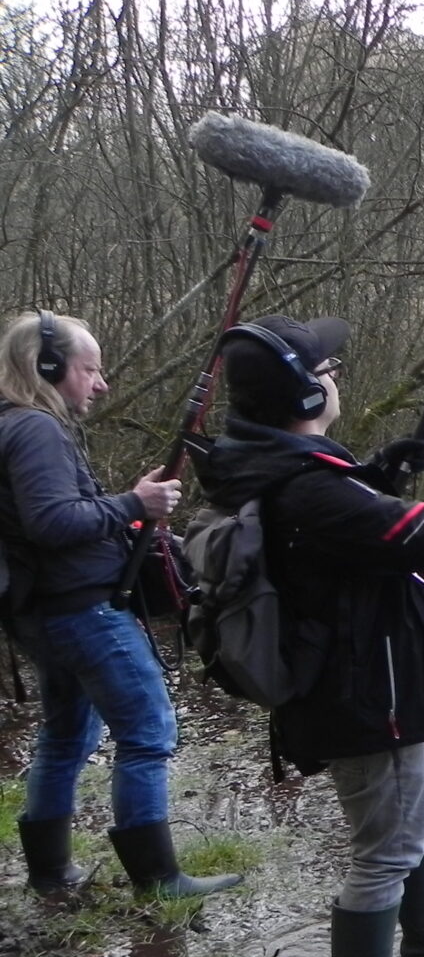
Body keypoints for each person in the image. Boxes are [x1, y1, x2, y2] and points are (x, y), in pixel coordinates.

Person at [195, 314, 424, 957]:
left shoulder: (265, 463)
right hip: (363, 698)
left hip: (366, 682)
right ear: (304, 398)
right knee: (385, 848)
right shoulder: (307, 490)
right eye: (327, 373)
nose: (336, 380)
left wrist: (377, 477)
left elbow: (339, 543)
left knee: (423, 811)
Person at [0, 310, 242, 899]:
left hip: (42, 613)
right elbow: (55, 523)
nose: (101, 385)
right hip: (82, 612)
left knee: (66, 734)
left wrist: (128, 504)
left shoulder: (15, 426)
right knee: (147, 730)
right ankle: (159, 880)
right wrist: (134, 502)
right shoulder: (34, 429)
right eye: (90, 370)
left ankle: (51, 872)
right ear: (48, 367)